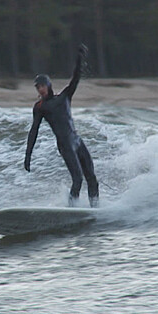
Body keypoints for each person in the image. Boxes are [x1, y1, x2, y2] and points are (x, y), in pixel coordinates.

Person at [24, 44, 99, 208]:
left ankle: (95, 210)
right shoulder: (40, 107)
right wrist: (28, 154)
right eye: (38, 87)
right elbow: (34, 131)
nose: (40, 89)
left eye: (42, 85)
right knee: (77, 179)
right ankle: (72, 210)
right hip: (65, 145)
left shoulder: (65, 96)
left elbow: (76, 78)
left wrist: (79, 58)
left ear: (48, 85)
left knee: (92, 179)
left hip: (77, 141)